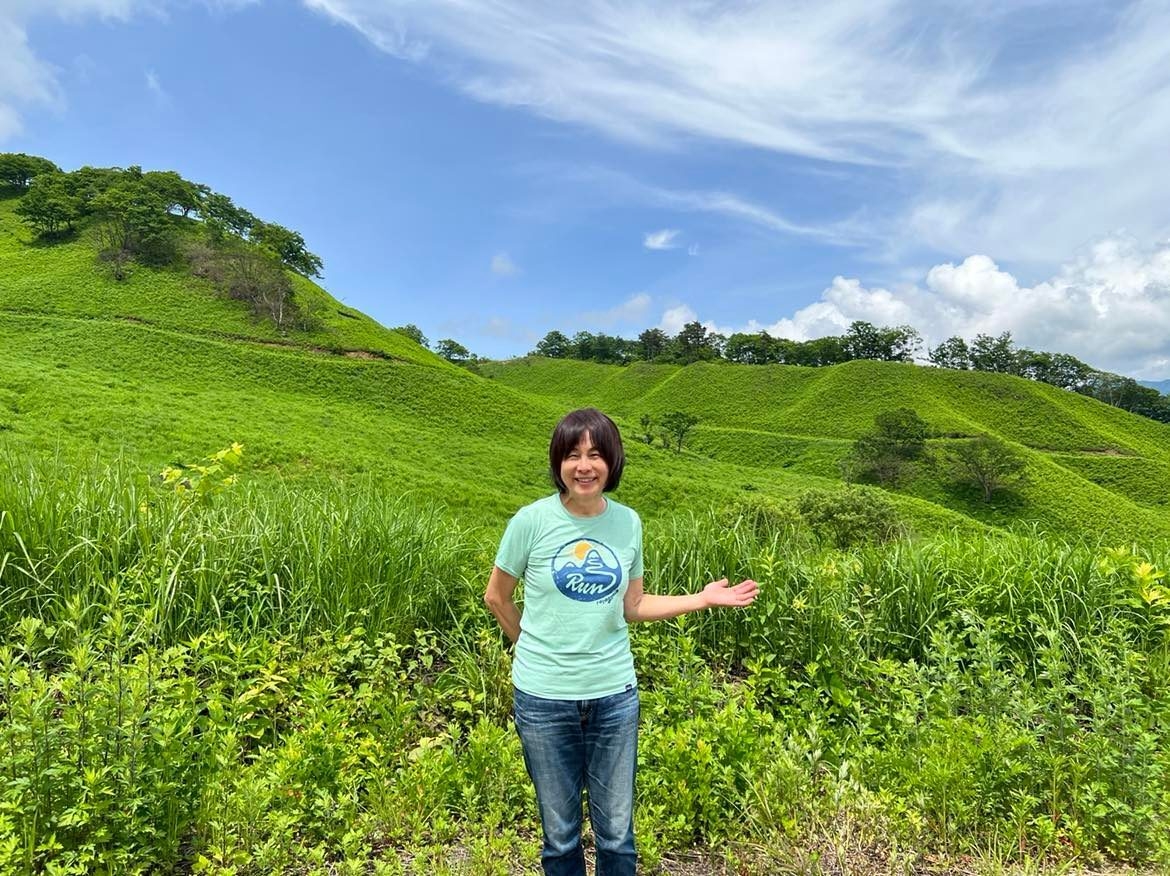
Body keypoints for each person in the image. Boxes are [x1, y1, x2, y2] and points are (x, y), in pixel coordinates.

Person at [483, 408, 759, 876]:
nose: (583, 466)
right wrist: (532, 647)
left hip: (613, 696)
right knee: (560, 836)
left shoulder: (627, 523)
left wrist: (703, 599)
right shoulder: (531, 522)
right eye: (572, 455)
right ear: (558, 463)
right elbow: (497, 597)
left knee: (616, 836)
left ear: (612, 462)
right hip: (544, 698)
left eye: (595, 454)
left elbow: (633, 605)